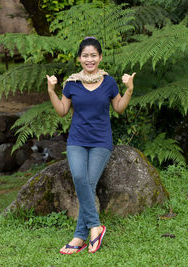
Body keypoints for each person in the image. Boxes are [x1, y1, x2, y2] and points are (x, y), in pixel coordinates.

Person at [46, 37, 135, 254]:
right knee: (79, 178)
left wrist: (129, 89)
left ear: (100, 57)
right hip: (77, 141)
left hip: (100, 142)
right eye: (85, 55)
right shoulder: (72, 84)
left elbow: (120, 108)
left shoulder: (109, 82)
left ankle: (78, 237)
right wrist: (51, 91)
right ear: (79, 58)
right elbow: (62, 111)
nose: (89, 59)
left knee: (88, 183)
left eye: (93, 55)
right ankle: (95, 227)